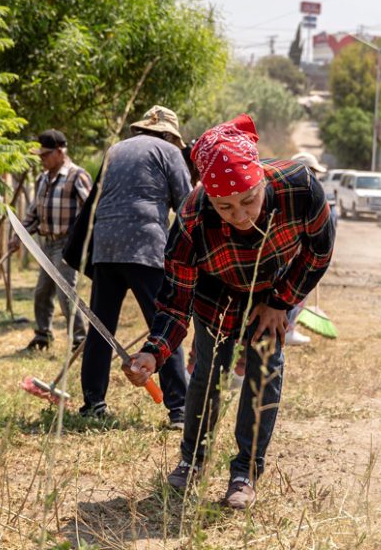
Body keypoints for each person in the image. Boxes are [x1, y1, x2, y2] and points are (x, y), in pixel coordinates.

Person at [125, 115, 335, 509]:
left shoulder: (300, 187)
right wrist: (154, 352)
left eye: (248, 201)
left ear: (261, 181)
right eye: (225, 207)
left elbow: (319, 249)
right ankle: (192, 462)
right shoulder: (191, 219)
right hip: (215, 297)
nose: (240, 215)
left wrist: (281, 301)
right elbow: (175, 298)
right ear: (209, 197)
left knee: (263, 375)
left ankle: (245, 473)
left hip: (271, 295)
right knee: (208, 375)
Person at [71, 106, 191, 423]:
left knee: (100, 329)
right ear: (168, 134)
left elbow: (95, 202)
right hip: (146, 246)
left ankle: (93, 404)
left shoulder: (115, 149)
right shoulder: (168, 151)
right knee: (164, 325)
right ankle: (180, 408)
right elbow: (187, 205)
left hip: (105, 248)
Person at [9, 129, 90, 351]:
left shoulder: (77, 176)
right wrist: (19, 236)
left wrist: (82, 240)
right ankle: (43, 336)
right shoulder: (42, 179)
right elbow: (34, 213)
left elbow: (91, 212)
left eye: (45, 154)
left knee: (65, 292)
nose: (41, 159)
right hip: (47, 244)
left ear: (60, 152)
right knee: (42, 292)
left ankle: (80, 341)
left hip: (67, 244)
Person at [284, 151, 328, 348]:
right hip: (291, 257)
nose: (315, 177)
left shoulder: (310, 194)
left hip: (301, 255)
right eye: (312, 172)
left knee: (299, 295)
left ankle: (289, 328)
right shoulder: (296, 195)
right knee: (292, 295)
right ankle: (287, 330)